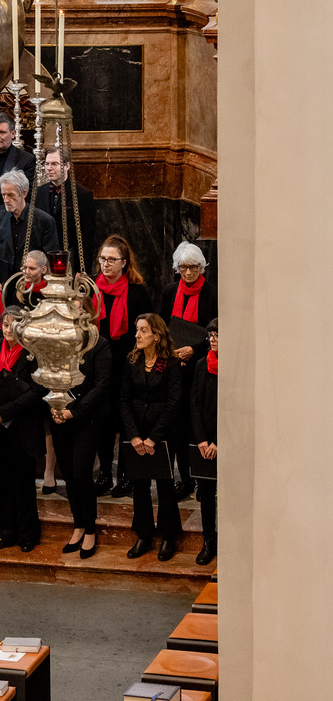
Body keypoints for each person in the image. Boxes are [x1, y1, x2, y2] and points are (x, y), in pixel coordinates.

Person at [93, 234, 155, 498]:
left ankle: (126, 476)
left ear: (124, 263)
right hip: (98, 365)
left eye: (111, 259)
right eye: (102, 259)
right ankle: (105, 474)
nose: (105, 264)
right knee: (103, 422)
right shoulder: (92, 290)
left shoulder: (137, 293)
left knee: (126, 420)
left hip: (127, 365)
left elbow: (148, 331)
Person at [119, 313, 184, 561]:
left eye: (143, 330)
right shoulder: (132, 360)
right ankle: (143, 534)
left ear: (156, 336)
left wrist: (153, 438)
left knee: (165, 485)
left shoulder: (171, 363)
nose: (137, 335)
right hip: (137, 431)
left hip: (163, 433)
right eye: (137, 330)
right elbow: (124, 400)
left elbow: (174, 403)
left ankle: (168, 536)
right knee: (140, 485)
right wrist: (134, 436)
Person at [0, 309, 46, 552]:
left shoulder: (33, 351)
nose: (8, 329)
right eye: (5, 324)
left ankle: (28, 535)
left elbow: (37, 390)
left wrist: (6, 411)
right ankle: (6, 532)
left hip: (23, 425)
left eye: (14, 324)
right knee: (3, 482)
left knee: (23, 482)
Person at [161, 241, 217, 500]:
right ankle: (184, 479)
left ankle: (203, 480)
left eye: (193, 267)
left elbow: (215, 331)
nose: (188, 272)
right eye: (183, 267)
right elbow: (162, 326)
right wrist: (171, 352)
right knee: (177, 427)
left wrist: (193, 350)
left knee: (197, 424)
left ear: (202, 267)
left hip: (201, 367)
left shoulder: (212, 294)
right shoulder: (170, 291)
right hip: (174, 367)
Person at [49, 328, 112, 558]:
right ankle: (78, 524)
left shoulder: (99, 344)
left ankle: (90, 529)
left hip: (88, 418)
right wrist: (54, 406)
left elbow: (102, 385)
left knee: (81, 474)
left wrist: (73, 412)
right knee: (67, 473)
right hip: (60, 415)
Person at [33, 148, 97, 272]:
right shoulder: (38, 193)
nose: (49, 168)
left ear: (67, 166)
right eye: (47, 164)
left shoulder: (82, 195)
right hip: (43, 260)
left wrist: (82, 270)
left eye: (54, 164)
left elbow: (87, 236)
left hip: (70, 259)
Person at [0, 169, 58, 281]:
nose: (6, 200)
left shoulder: (44, 220)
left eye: (10, 195)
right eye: (3, 195)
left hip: (33, 283)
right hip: (4, 282)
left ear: (24, 193)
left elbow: (50, 258)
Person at [190, 320, 219, 565]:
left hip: (226, 440)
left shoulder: (237, 368)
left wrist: (219, 442)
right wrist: (201, 439)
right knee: (206, 494)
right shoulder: (201, 365)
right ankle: (208, 541)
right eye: (210, 335)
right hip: (204, 441)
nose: (212, 339)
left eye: (217, 335)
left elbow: (235, 408)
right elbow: (195, 404)